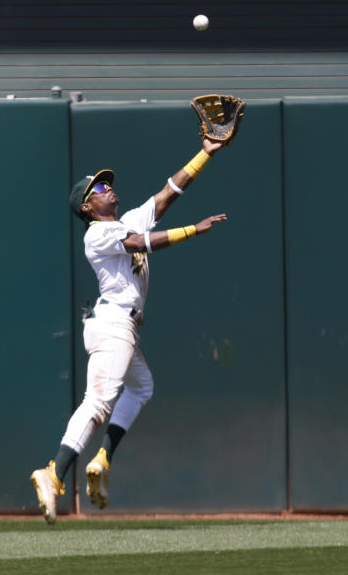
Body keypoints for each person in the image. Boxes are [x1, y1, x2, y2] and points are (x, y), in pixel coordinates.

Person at [30, 137, 229, 524]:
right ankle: (53, 474)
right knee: (98, 402)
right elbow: (141, 242)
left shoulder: (124, 221)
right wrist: (194, 230)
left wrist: (205, 153)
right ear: (88, 206)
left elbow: (168, 193)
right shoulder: (96, 234)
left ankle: (102, 459)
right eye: (99, 188)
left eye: (106, 183)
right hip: (114, 324)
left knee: (142, 386)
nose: (108, 188)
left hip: (123, 325)